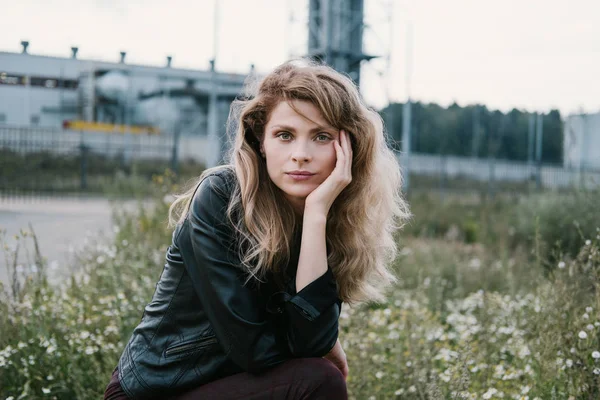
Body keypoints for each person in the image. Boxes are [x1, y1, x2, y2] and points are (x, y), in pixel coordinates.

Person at [104, 59, 410, 400]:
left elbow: (312, 342)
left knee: (318, 377)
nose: (300, 155)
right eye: (284, 135)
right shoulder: (221, 196)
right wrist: (311, 336)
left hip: (230, 386)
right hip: (156, 391)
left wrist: (316, 216)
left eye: (321, 136)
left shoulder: (329, 216)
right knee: (319, 380)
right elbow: (255, 351)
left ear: (348, 149)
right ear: (260, 141)